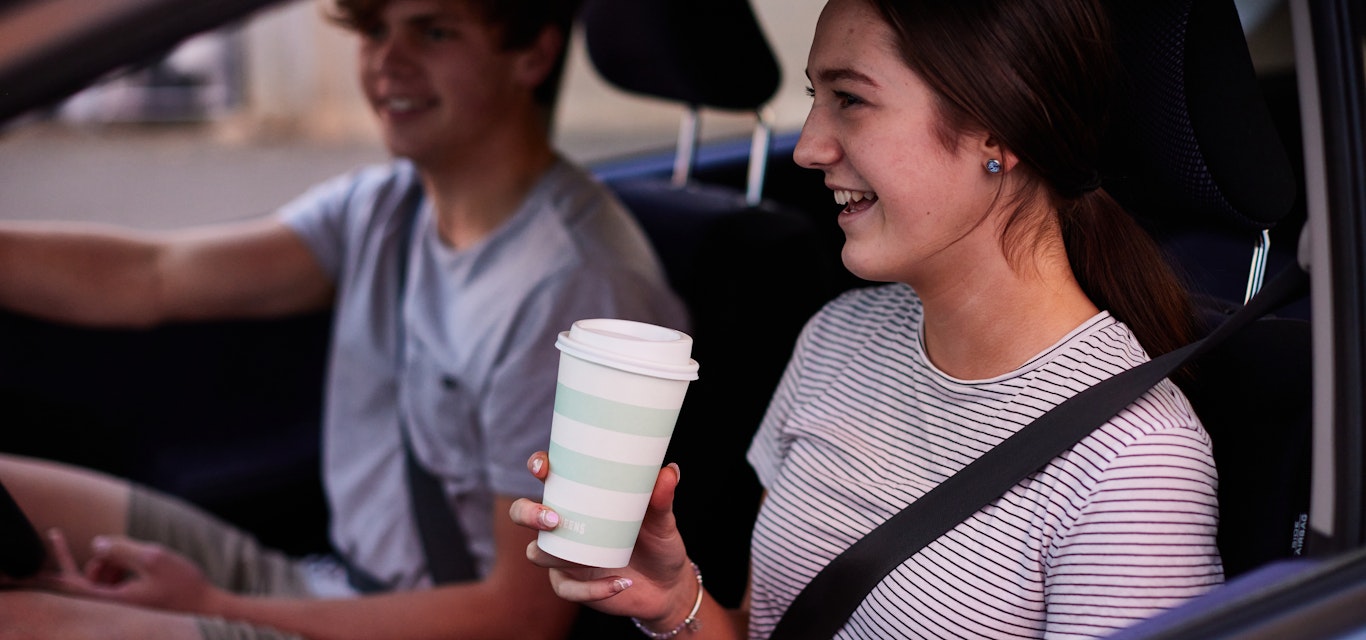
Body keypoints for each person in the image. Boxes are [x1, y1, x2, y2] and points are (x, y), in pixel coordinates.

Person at [509, 0, 1224, 637]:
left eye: (850, 99)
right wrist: (677, 604)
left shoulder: (1134, 463)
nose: (808, 146)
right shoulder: (838, 338)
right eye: (816, 98)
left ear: (999, 132)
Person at [0, 0, 686, 638]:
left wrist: (214, 608)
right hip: (325, 584)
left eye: (433, 31)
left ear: (532, 56)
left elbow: (521, 617)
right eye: (374, 30)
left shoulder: (574, 291)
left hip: (411, 624)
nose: (388, 60)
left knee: (24, 620)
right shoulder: (387, 205)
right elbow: (154, 276)